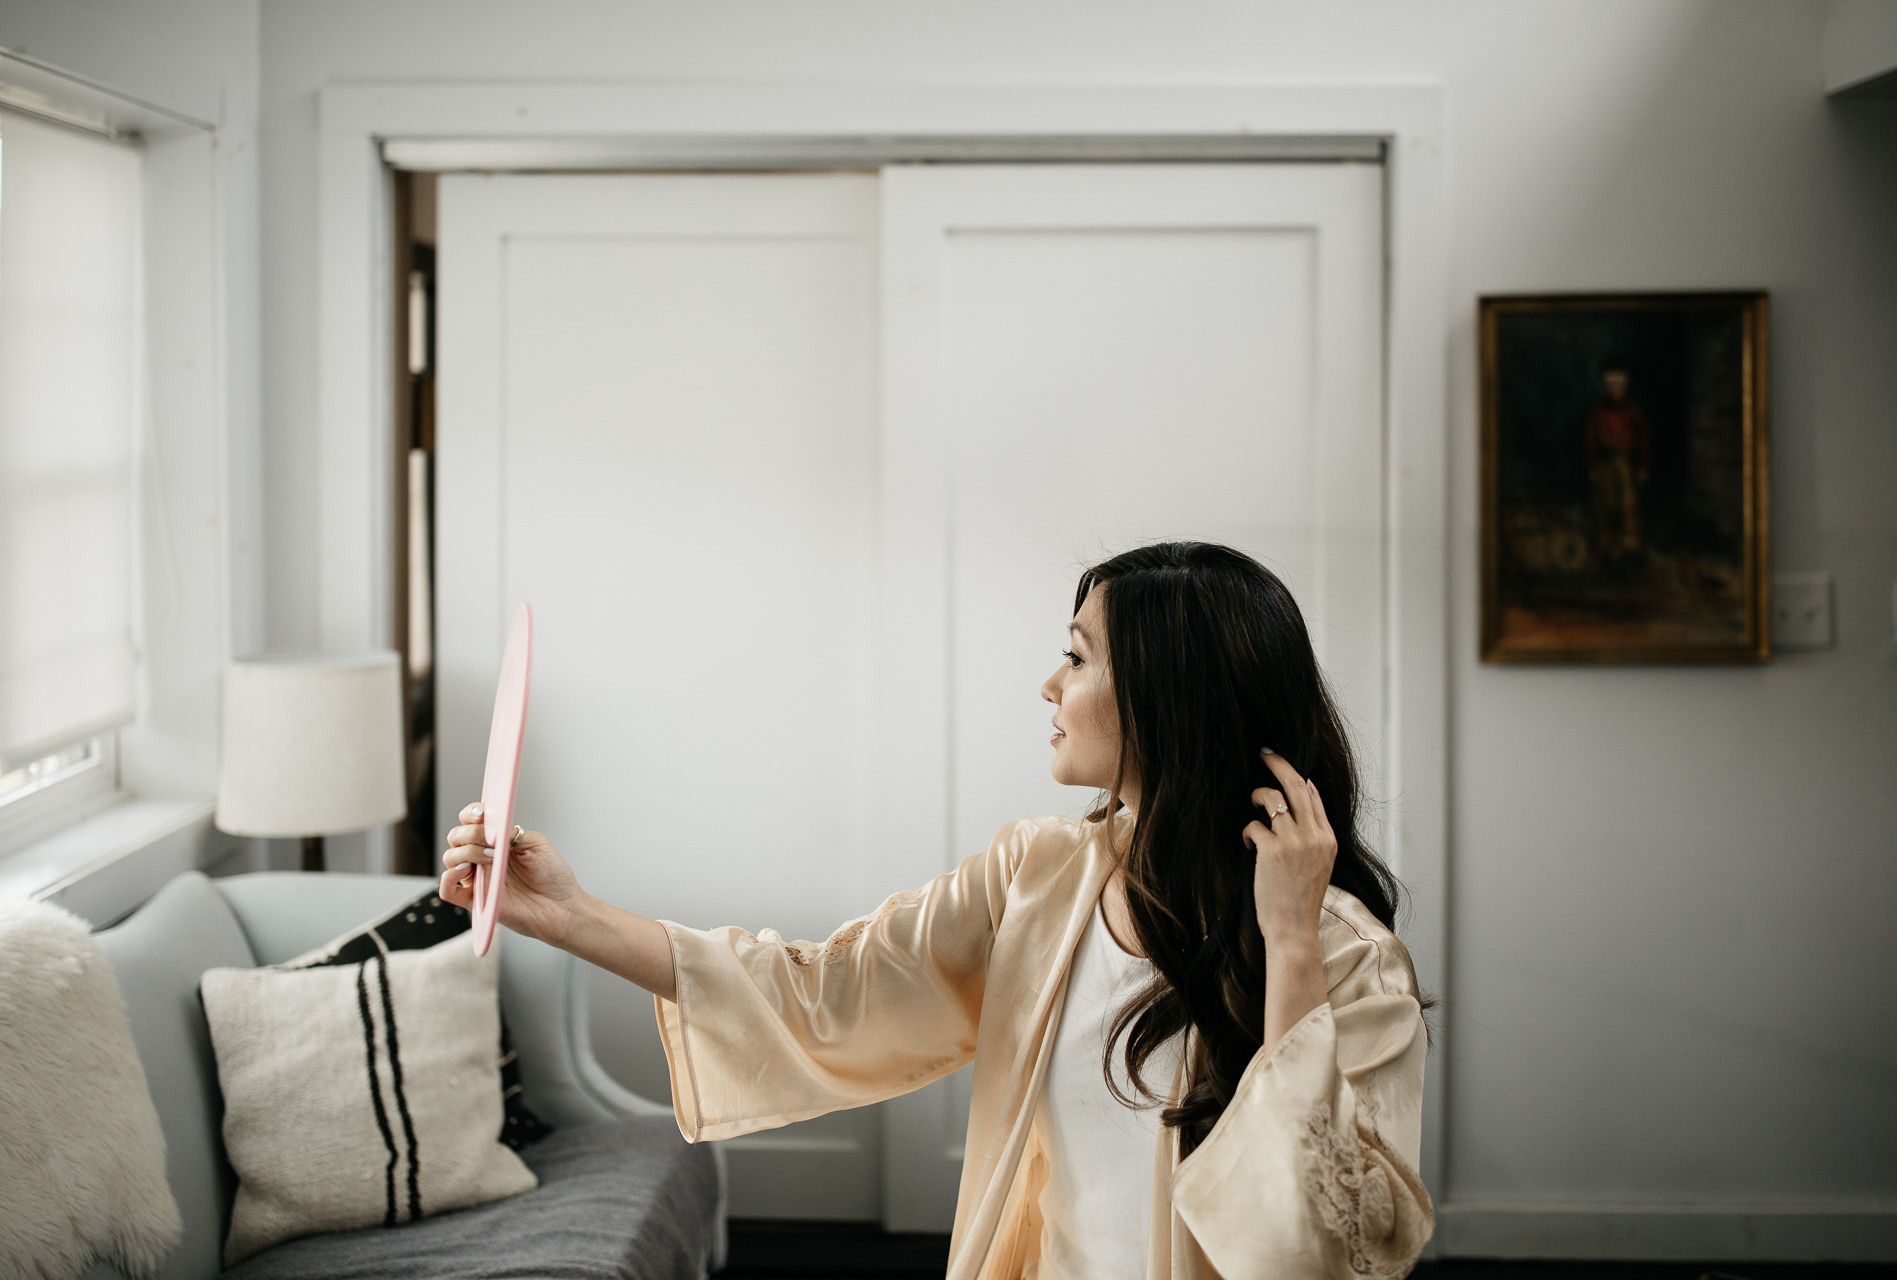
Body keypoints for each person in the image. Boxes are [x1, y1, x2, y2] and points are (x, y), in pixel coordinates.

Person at [442, 541, 1433, 1280]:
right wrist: (571, 915)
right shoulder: (1037, 876)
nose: (1050, 683)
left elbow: (1340, 1242)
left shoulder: (1349, 956)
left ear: (1175, 696)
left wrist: (1290, 939)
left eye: (1079, 657)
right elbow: (831, 987)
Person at [1584, 361, 1652, 560]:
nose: (1615, 386)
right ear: (1605, 383)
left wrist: (1643, 466)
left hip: (1626, 462)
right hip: (1604, 462)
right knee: (1605, 504)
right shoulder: (1597, 411)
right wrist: (1592, 465)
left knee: (1629, 504)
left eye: (1619, 381)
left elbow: (1643, 439)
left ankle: (1630, 547)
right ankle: (1604, 547)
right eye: (1611, 381)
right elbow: (1590, 439)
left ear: (1626, 383)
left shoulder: (1632, 410)